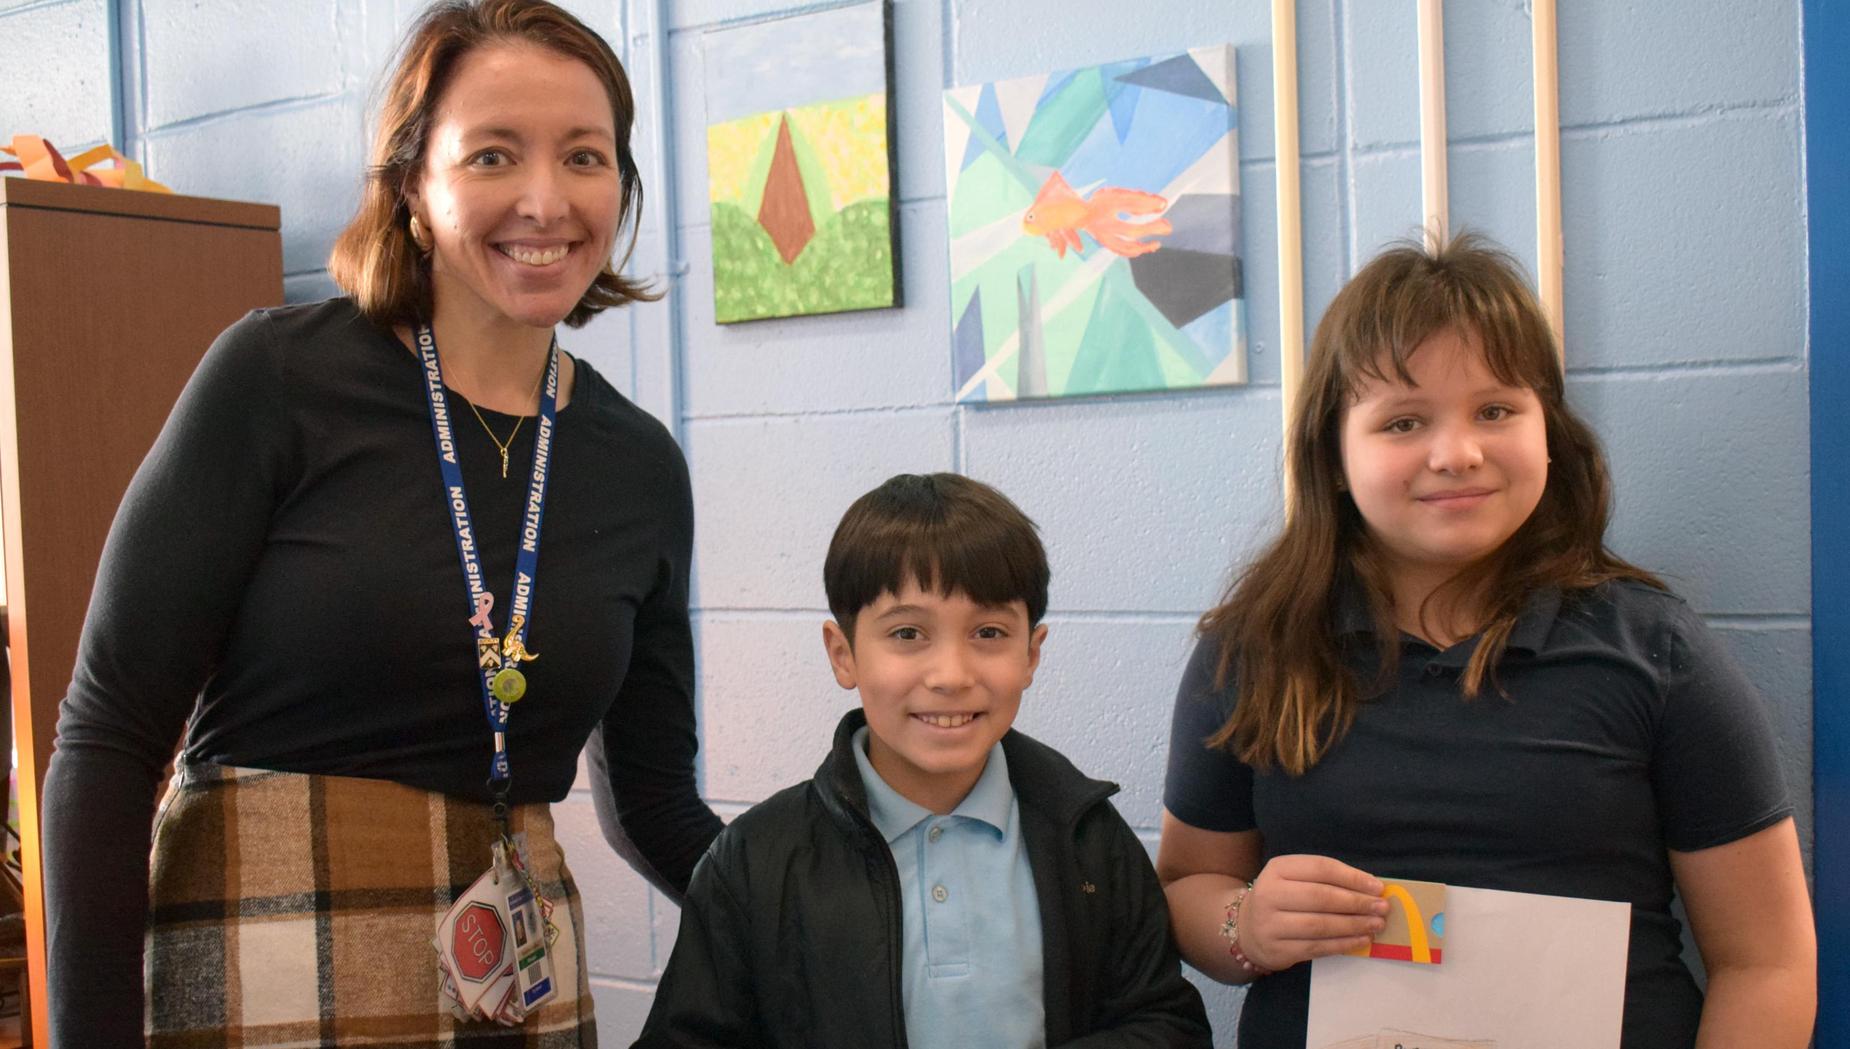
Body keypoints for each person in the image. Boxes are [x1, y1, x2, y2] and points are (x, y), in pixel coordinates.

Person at [39, 1, 722, 1044]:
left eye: (584, 156)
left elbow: (658, 804)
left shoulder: (638, 464)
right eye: (493, 154)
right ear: (412, 183)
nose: (545, 199)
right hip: (259, 971)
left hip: (518, 996)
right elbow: (107, 734)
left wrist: (830, 895)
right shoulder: (276, 377)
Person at [1157, 233, 1817, 1047]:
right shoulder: (1253, 649)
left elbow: (1767, 961)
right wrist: (1243, 926)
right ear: (1333, 453)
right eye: (1403, 421)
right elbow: (1189, 881)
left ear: (1548, 429)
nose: (1457, 453)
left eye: (1496, 410)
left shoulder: (1656, 649)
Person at [635, 473, 1213, 1049]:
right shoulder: (755, 863)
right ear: (844, 655)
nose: (951, 676)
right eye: (908, 633)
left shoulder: (1088, 841)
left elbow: (1170, 1026)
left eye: (989, 632)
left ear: (1032, 654)